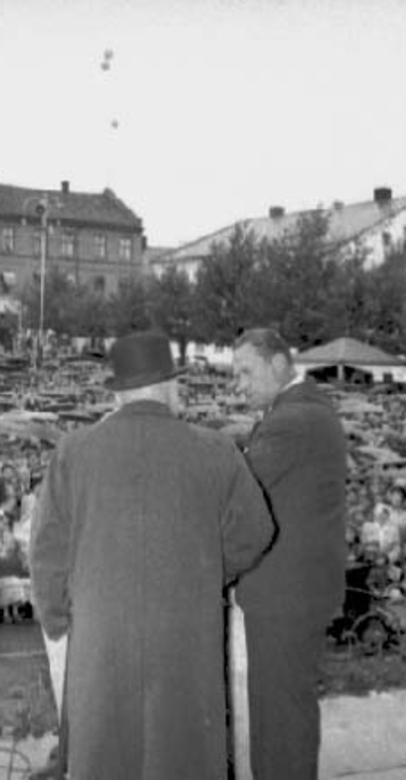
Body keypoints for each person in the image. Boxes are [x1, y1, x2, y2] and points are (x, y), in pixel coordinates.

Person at [30, 330, 273, 780]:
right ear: (170, 386)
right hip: (187, 635)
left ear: (118, 392)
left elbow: (46, 554)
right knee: (183, 754)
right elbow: (257, 532)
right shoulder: (216, 449)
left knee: (104, 754)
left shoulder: (73, 453)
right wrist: (206, 571)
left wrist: (59, 618)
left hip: (100, 640)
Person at [230, 328, 348, 780]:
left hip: (285, 596)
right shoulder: (304, 410)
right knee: (283, 714)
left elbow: (239, 486)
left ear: (278, 364)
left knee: (280, 720)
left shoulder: (291, 420)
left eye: (246, 372)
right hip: (294, 593)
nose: (238, 385)